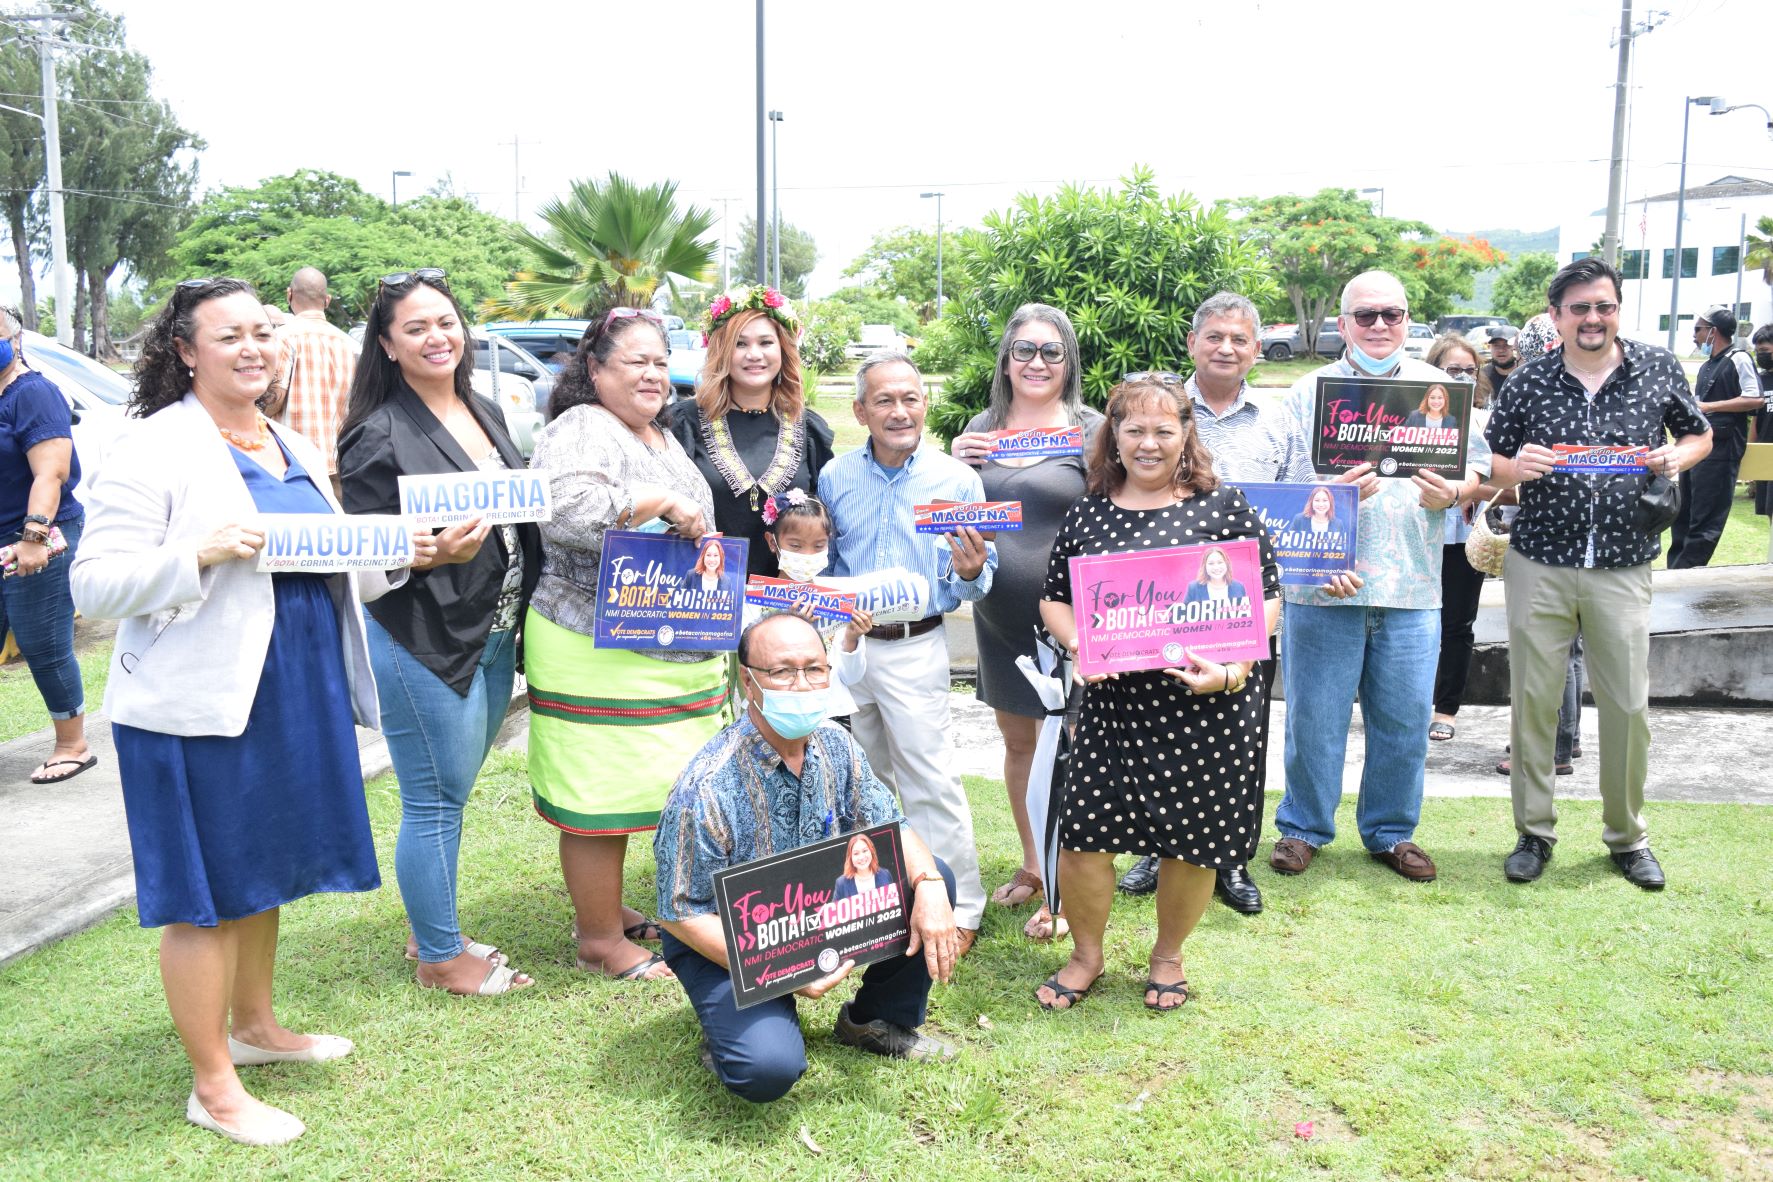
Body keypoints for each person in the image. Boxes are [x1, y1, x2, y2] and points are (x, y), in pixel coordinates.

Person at [70, 278, 414, 1146]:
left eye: (264, 331)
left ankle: (256, 1028)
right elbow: (95, 581)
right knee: (204, 894)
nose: (254, 347)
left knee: (262, 869)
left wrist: (409, 551)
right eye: (230, 336)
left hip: (292, 688)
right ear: (185, 350)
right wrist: (200, 551)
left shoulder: (289, 438)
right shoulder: (152, 446)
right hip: (196, 703)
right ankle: (213, 1085)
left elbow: (330, 558)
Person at [1035, 376, 1280, 1012]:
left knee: (1191, 840)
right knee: (1085, 836)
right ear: (1112, 434)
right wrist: (1081, 646)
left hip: (1204, 706)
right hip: (1114, 709)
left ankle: (1167, 955)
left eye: (1163, 430)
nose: (1148, 443)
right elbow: (1054, 598)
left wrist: (1228, 669)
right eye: (1134, 429)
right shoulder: (1089, 510)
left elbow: (1267, 598)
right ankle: (1087, 955)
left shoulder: (1222, 507)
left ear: (1185, 434)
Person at [1116, 292, 1357, 916]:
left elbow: (1306, 504)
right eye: (1215, 336)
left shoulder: (1277, 420)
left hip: (1247, 605)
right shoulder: (1158, 411)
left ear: (1256, 349)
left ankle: (1230, 857)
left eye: (1240, 339)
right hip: (1163, 605)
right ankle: (1154, 849)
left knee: (1241, 736)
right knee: (1158, 733)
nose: (1227, 348)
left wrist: (1328, 559)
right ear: (1193, 343)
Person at [654, 613, 961, 1102]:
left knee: (933, 874)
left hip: (816, 908)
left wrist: (928, 886)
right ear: (747, 680)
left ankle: (876, 1020)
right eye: (782, 672)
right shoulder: (707, 788)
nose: (802, 685)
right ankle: (732, 1032)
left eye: (814, 669)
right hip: (732, 937)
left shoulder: (835, 743)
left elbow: (889, 825)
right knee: (768, 1069)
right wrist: (784, 972)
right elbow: (679, 913)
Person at [336, 268, 540, 996]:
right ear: (387, 345)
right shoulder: (376, 433)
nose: (436, 337)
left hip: (489, 631)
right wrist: (427, 551)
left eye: (445, 322)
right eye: (415, 327)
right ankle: (440, 957)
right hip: (422, 636)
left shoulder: (481, 406)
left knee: (451, 793)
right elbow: (360, 550)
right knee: (431, 799)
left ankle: (437, 930)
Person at [1484, 257, 1711, 889]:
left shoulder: (1657, 368)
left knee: (1628, 704)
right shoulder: (1527, 381)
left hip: (1623, 562)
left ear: (1617, 310)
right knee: (1533, 701)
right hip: (1540, 561)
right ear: (1556, 316)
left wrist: (1675, 457)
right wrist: (1515, 468)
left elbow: (1700, 435)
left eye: (1603, 306)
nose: (1592, 318)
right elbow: (1490, 459)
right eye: (1579, 307)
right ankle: (1534, 832)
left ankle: (1627, 837)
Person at [1269, 271, 1490, 884]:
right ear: (1342, 324)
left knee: (1403, 718)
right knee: (1314, 716)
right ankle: (1302, 828)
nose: (1379, 326)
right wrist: (1323, 492)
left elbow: (1479, 473)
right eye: (1364, 316)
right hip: (1323, 582)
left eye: (1391, 314)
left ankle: (1391, 831)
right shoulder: (1308, 392)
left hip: (1413, 585)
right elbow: (1279, 489)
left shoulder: (1443, 389)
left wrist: (1459, 490)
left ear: (1408, 320)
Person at [528, 306, 723, 982]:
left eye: (659, 362)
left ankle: (626, 914)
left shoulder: (659, 434)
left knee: (668, 788)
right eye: (634, 360)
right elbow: (564, 510)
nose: (651, 373)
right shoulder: (580, 428)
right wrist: (659, 504)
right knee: (598, 801)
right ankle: (599, 939)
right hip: (592, 643)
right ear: (595, 369)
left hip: (672, 641)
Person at [819, 351, 996, 955]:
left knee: (930, 777)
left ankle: (961, 904)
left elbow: (977, 576)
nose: (900, 412)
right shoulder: (835, 476)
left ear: (926, 404)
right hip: (851, 648)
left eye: (911, 399)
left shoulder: (957, 481)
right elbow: (831, 563)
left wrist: (972, 571)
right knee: (862, 778)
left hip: (916, 646)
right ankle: (884, 898)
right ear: (861, 410)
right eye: (885, 401)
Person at [947, 303, 1102, 940]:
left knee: (1077, 750)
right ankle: (1036, 865)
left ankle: (1075, 875)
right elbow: (947, 506)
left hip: (1078, 617)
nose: (1036, 363)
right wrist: (953, 460)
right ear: (1006, 361)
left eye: (1051, 351)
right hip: (1000, 616)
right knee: (1020, 746)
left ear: (1069, 361)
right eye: (1024, 351)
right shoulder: (982, 427)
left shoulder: (1094, 429)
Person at [672, 286, 834, 578]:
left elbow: (824, 521)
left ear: (783, 349)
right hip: (703, 599)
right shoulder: (684, 423)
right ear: (721, 350)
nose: (754, 354)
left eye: (766, 342)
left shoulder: (808, 428)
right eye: (740, 344)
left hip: (786, 602)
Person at [0, 304, 92, 784]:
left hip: (36, 537)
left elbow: (51, 472)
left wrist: (33, 537)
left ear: (14, 340)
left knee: (43, 641)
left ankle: (72, 744)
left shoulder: (32, 393)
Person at [1427, 333, 1502, 743]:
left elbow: (1506, 487)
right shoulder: (1411, 420)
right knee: (1414, 622)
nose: (1460, 378)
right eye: (1450, 370)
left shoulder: (1487, 423)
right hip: (1419, 536)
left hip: (1464, 538)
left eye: (1469, 371)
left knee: (1457, 624)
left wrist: (1466, 490)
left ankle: (1446, 709)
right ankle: (1409, 702)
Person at [1668, 306, 1763, 568]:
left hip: (1722, 450)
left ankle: (1684, 575)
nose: (1695, 335)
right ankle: (1676, 573)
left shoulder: (1739, 358)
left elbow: (1755, 398)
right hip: (1700, 446)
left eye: (1698, 329)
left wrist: (1711, 406)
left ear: (1713, 331)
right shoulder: (1710, 363)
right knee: (1683, 515)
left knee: (1705, 520)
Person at [274, 267, 358, 494]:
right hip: (341, 462)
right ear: (327, 300)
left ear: (289, 294)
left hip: (291, 464)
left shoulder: (282, 338)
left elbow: (274, 399)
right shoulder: (349, 344)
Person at [833, 832, 894, 899]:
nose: (861, 857)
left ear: (871, 851)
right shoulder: (841, 883)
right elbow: (836, 908)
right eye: (856, 853)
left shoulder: (885, 874)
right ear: (850, 858)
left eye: (865, 851)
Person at [1183, 546, 1247, 601]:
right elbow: (1184, 614)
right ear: (1205, 566)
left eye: (1220, 562)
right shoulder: (1193, 588)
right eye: (1211, 563)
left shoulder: (1239, 587)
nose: (1216, 567)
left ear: (1227, 564)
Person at [1755, 324, 1773, 517]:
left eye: (1765, 351)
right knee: (1769, 510)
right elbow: (1755, 420)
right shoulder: (1760, 380)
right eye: (1758, 351)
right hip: (1767, 454)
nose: (1761, 355)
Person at [1481, 325, 1519, 393]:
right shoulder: (1483, 376)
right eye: (1496, 345)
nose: (1501, 350)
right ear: (1490, 348)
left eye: (1507, 345)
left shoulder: (1525, 375)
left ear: (1516, 347)